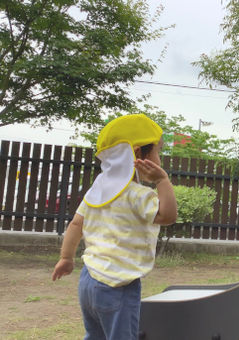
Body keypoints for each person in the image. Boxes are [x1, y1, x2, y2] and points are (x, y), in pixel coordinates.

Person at [51, 114, 177, 340]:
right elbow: (167, 216)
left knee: (95, 336)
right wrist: (162, 181)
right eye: (158, 151)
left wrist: (66, 257)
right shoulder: (137, 195)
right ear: (138, 154)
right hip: (117, 286)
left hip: (88, 280)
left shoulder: (97, 188)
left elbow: (76, 224)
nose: (160, 159)